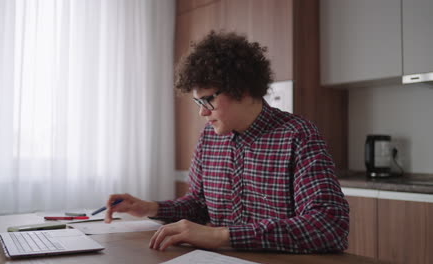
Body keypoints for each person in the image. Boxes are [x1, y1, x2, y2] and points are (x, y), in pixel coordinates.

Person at [104, 31, 350, 253]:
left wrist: (221, 235)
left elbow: (328, 225)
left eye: (207, 101)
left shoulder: (297, 135)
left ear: (240, 89)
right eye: (198, 103)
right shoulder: (209, 138)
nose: (202, 112)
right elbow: (199, 205)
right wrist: (150, 208)